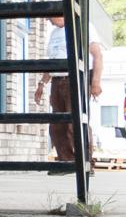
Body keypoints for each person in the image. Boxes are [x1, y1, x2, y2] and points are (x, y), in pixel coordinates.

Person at [33, 15, 103, 164]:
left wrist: (96, 82)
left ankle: (84, 162)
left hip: (76, 79)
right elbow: (51, 62)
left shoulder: (82, 26)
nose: (49, 22)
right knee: (57, 125)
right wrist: (41, 84)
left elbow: (97, 55)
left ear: (59, 14)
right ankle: (66, 161)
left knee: (75, 123)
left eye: (50, 18)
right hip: (57, 81)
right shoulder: (53, 34)